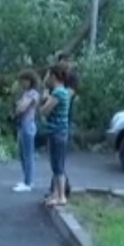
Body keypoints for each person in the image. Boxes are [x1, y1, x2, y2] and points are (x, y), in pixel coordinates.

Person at [45, 53, 79, 197]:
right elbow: (45, 90)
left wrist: (49, 99)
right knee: (55, 161)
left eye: (66, 61)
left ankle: (62, 191)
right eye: (61, 62)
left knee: (59, 161)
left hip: (64, 120)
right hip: (55, 122)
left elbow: (68, 95)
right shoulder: (55, 82)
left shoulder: (72, 79)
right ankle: (55, 191)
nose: (64, 64)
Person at [41, 65, 71, 206]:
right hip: (58, 131)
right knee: (56, 164)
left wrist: (45, 98)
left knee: (58, 165)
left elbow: (45, 111)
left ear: (54, 76)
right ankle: (55, 194)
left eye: (49, 75)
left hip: (57, 132)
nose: (47, 78)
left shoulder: (58, 93)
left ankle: (61, 196)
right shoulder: (63, 91)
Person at [13, 70, 41, 192]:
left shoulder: (33, 93)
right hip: (22, 125)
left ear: (30, 81)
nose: (22, 83)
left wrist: (19, 106)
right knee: (23, 154)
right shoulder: (26, 93)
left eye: (24, 81)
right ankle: (26, 179)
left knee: (28, 154)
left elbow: (21, 108)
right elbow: (18, 107)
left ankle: (28, 182)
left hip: (28, 124)